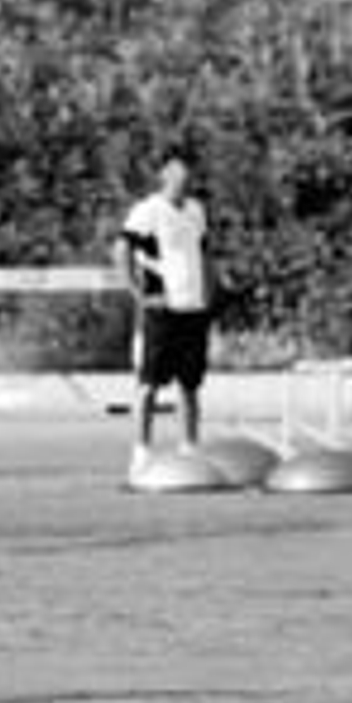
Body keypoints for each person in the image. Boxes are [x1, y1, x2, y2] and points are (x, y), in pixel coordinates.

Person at [115, 143, 214, 481]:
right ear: (164, 174)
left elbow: (203, 255)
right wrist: (137, 293)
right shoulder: (148, 211)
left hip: (193, 307)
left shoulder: (197, 210)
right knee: (149, 383)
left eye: (188, 169)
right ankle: (141, 452)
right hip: (162, 308)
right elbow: (121, 249)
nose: (183, 175)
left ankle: (191, 447)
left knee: (191, 384)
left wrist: (209, 295)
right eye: (177, 169)